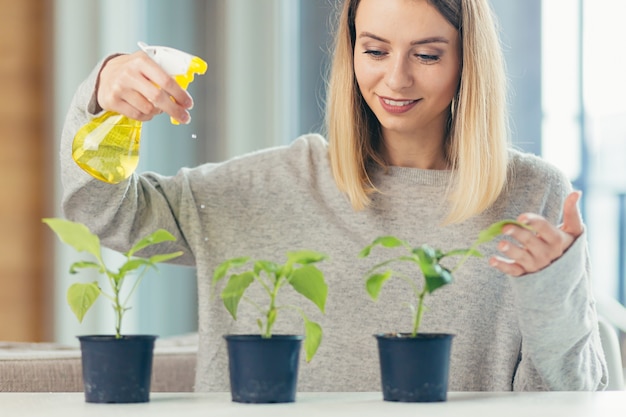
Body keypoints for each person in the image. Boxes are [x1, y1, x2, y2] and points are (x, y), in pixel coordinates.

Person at [60, 0, 608, 392]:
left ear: (469, 62)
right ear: (351, 54)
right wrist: (104, 100)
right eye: (374, 50)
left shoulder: (533, 192)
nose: (395, 80)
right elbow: (108, 214)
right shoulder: (275, 184)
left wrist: (549, 292)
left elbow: (568, 394)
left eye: (427, 55)